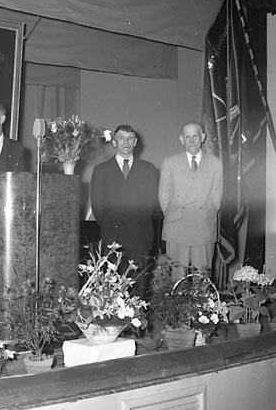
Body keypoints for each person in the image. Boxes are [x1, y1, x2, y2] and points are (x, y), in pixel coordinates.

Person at [90, 124, 159, 294]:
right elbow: (98, 206)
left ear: (135, 142)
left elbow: (150, 203)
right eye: (121, 138)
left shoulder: (149, 170)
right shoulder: (101, 171)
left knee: (138, 289)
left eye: (130, 138)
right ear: (114, 143)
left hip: (139, 237)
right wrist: (114, 225)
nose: (126, 142)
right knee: (110, 290)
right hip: (112, 237)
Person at [159, 121, 223, 278]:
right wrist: (175, 212)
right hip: (177, 226)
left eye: (195, 136)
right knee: (177, 278)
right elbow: (163, 195)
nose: (192, 140)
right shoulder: (170, 162)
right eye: (187, 137)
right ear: (182, 139)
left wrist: (204, 213)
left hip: (203, 225)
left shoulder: (215, 163)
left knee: (202, 277)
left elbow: (217, 197)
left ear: (203, 137)